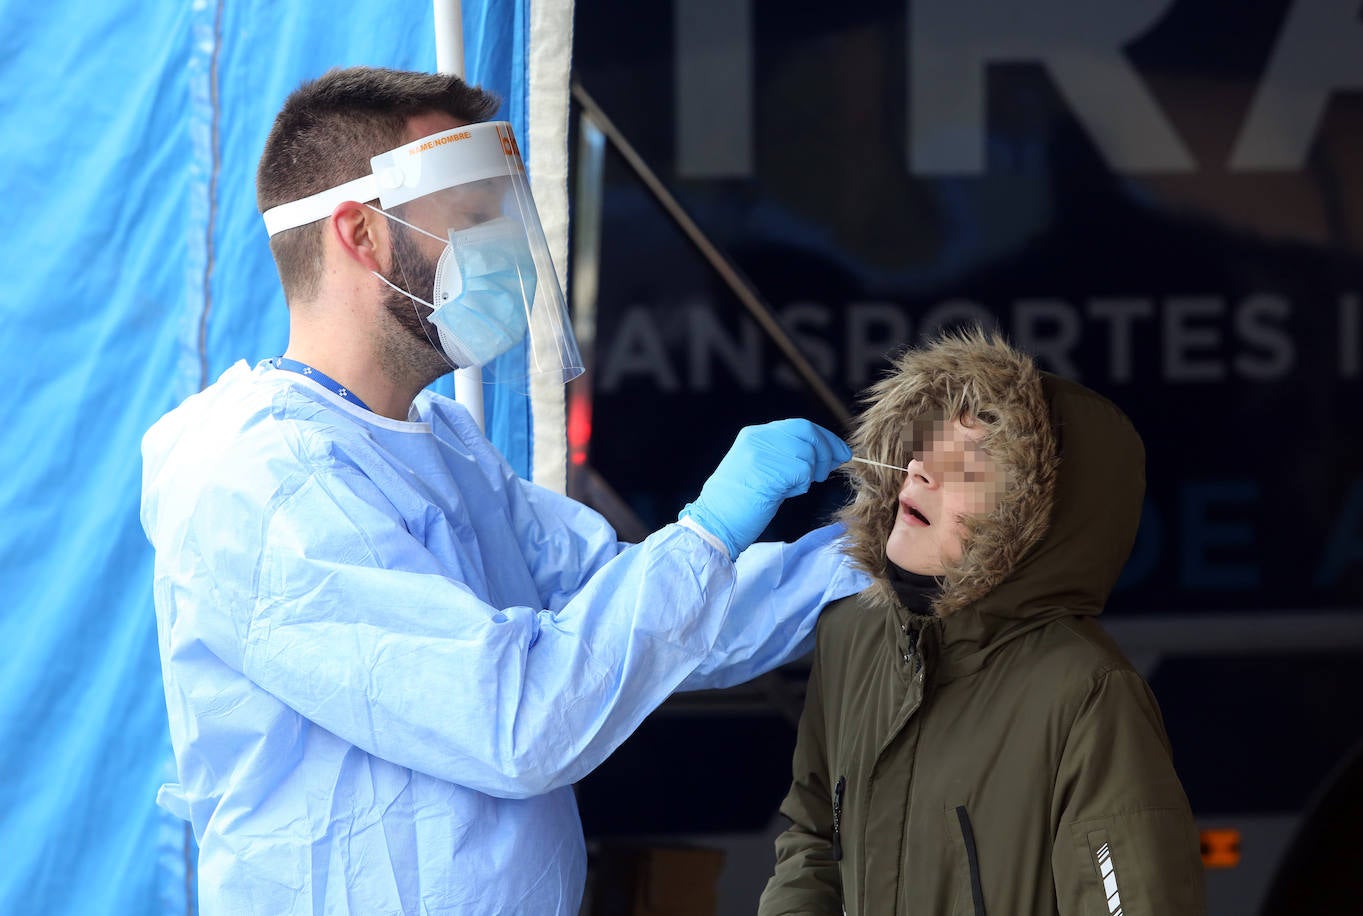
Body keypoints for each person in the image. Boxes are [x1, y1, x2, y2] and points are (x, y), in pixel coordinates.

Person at [140, 66, 870, 915]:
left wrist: (870, 555)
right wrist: (707, 529)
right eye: (476, 217)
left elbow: (647, 620)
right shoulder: (263, 482)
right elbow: (519, 721)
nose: (510, 250)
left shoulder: (442, 446)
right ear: (359, 232)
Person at [759, 329, 1206, 915]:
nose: (919, 469)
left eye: (968, 465)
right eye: (926, 442)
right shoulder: (851, 634)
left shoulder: (1087, 693)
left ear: (1034, 523)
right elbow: (813, 835)